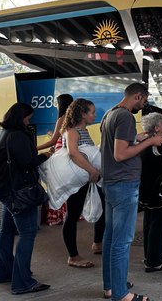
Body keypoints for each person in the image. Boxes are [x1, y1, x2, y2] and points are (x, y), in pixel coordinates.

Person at [100, 83, 162, 301]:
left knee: (110, 238)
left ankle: (111, 286)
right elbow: (120, 154)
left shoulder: (110, 114)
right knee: (122, 241)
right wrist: (150, 142)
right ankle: (121, 294)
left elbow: (114, 145)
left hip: (110, 183)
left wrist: (138, 138)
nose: (143, 105)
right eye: (144, 101)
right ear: (138, 96)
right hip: (124, 184)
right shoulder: (126, 117)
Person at [0, 103, 51, 294]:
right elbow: (27, 162)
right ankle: (22, 282)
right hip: (21, 192)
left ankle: (4, 271)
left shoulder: (3, 133)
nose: (30, 121)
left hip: (6, 191)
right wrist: (44, 156)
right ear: (21, 117)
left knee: (6, 231)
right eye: (28, 118)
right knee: (27, 234)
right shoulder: (18, 136)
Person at [60, 98, 105, 268]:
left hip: (87, 179)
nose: (95, 115)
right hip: (77, 180)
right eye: (92, 112)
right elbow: (73, 154)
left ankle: (98, 243)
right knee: (72, 215)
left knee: (102, 208)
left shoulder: (82, 130)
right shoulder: (72, 131)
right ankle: (73, 256)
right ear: (82, 114)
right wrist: (92, 170)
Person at [139, 113, 162, 273]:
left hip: (145, 190)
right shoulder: (160, 147)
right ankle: (154, 262)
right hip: (160, 191)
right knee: (159, 225)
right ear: (156, 128)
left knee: (149, 223)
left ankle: (150, 255)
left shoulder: (142, 144)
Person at [37, 93, 73, 226]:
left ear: (61, 105)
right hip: (67, 153)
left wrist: (35, 147)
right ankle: (67, 212)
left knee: (56, 184)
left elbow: (53, 142)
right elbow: (61, 136)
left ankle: (56, 215)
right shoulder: (73, 118)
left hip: (59, 154)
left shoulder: (61, 119)